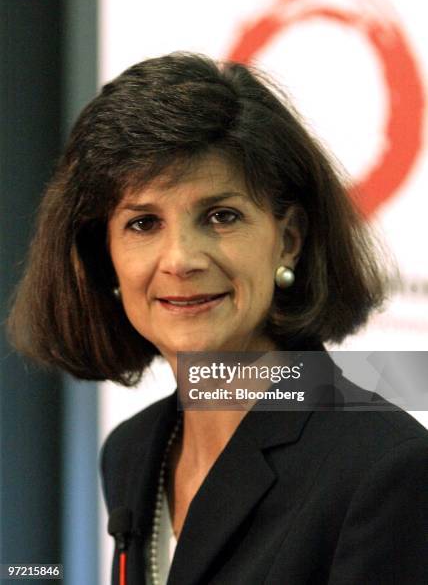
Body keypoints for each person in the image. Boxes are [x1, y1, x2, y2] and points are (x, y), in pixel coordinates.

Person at [8, 52, 428, 585]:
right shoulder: (132, 453)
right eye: (143, 223)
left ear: (289, 241)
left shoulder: (384, 468)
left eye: (221, 216)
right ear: (104, 256)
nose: (181, 258)